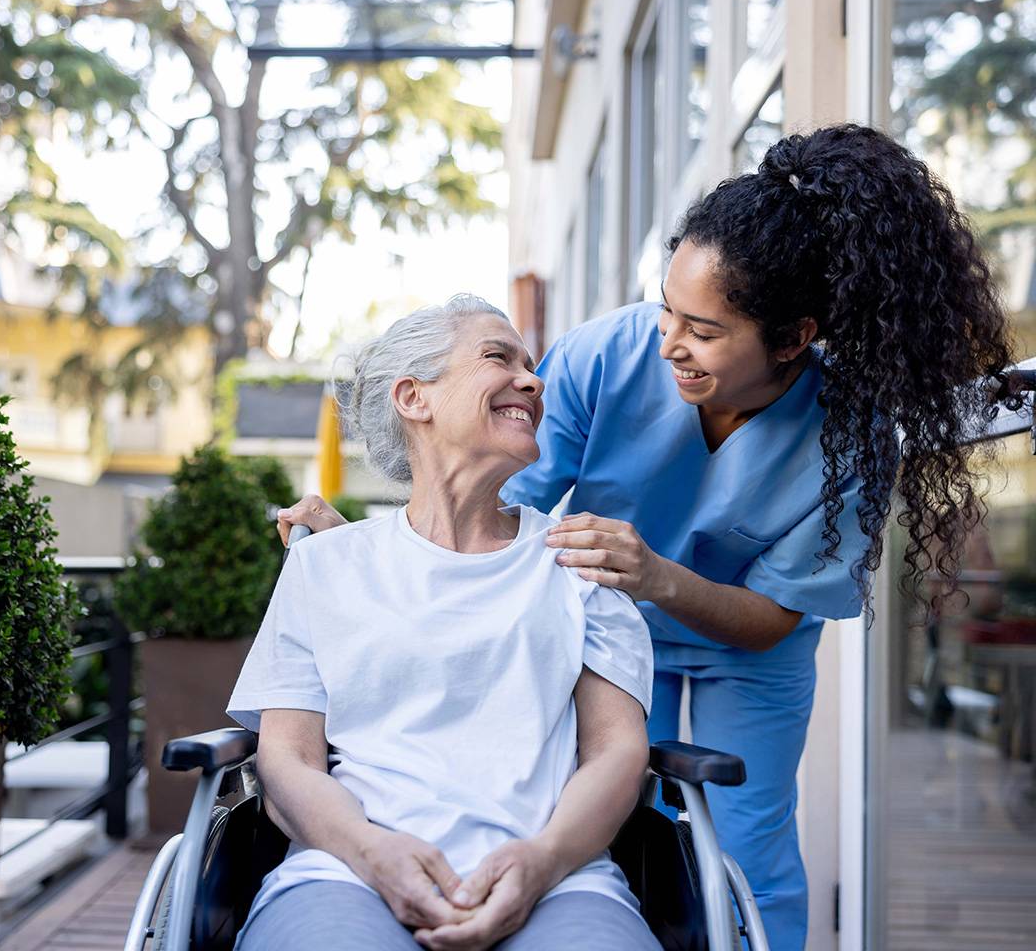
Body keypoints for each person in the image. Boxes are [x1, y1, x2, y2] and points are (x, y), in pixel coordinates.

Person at [277, 124, 1014, 951]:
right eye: (667, 308)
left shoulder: (851, 432)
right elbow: (485, 507)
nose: (668, 341)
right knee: (623, 823)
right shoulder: (606, 358)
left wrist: (656, 576)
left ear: (793, 337)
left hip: (745, 644)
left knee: (751, 840)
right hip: (607, 628)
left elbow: (772, 617)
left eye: (703, 329)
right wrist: (365, 553)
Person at [228, 295, 662, 951]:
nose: (533, 380)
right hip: (345, 871)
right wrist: (372, 852)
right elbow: (286, 758)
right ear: (413, 397)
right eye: (499, 357)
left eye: (532, 365)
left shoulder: (579, 563)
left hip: (556, 877)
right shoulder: (328, 566)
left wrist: (542, 861)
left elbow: (617, 752)